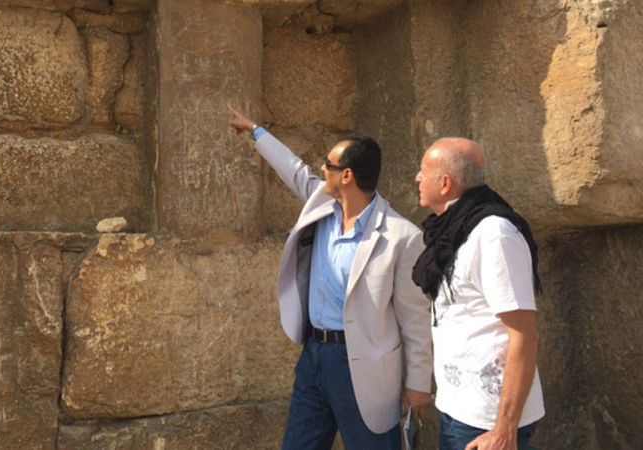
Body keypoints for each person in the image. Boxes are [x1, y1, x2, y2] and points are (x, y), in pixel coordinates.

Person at [229, 107, 432, 450]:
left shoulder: (402, 236)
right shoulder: (321, 205)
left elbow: (415, 318)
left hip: (362, 364)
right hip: (314, 356)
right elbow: (293, 169)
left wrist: (418, 384)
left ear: (348, 176)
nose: (322, 170)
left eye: (329, 165)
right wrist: (255, 131)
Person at [411, 138, 545, 450]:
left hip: (488, 421)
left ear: (445, 183)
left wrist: (504, 429)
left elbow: (524, 335)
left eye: (423, 171)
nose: (417, 177)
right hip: (459, 409)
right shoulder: (454, 231)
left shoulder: (494, 234)